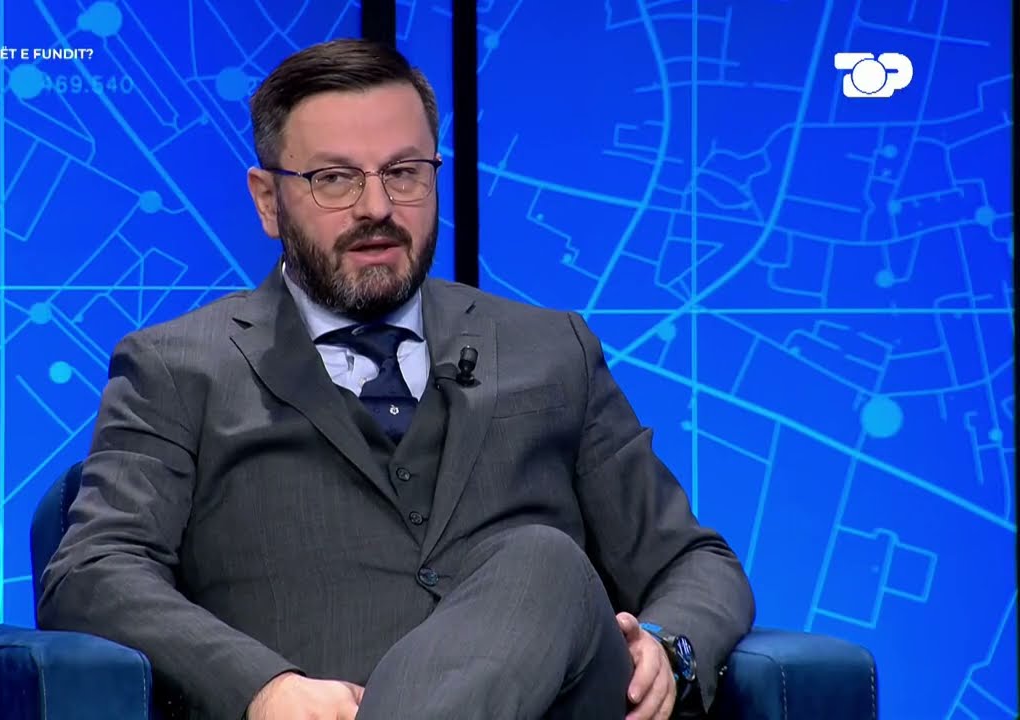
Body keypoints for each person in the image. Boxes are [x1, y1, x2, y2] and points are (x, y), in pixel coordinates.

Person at [37, 38, 754, 720]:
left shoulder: (551, 350)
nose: (377, 207)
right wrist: (262, 686)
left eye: (404, 172)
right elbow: (93, 570)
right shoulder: (178, 367)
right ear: (267, 201)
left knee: (542, 561)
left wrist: (669, 648)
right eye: (335, 179)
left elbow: (693, 559)